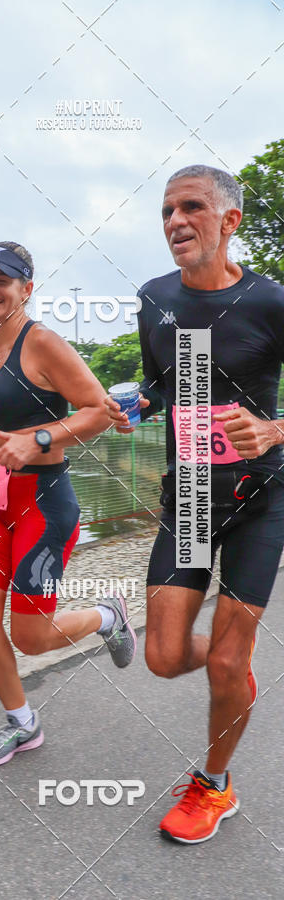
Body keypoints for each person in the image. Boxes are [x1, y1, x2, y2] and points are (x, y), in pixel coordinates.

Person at [106, 165, 284, 843]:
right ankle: (232, 677)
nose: (175, 221)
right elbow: (164, 383)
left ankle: (214, 785)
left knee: (228, 661)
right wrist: (139, 406)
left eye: (191, 208)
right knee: (163, 654)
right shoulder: (156, 299)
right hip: (190, 503)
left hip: (260, 499)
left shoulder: (270, 302)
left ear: (229, 221)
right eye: (166, 211)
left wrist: (273, 428)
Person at [0, 241, 137, 767]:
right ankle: (22, 723)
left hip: (43, 503)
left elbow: (98, 412)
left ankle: (106, 616)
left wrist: (40, 440)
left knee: (33, 638)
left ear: (27, 288)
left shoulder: (42, 343)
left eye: (3, 279)